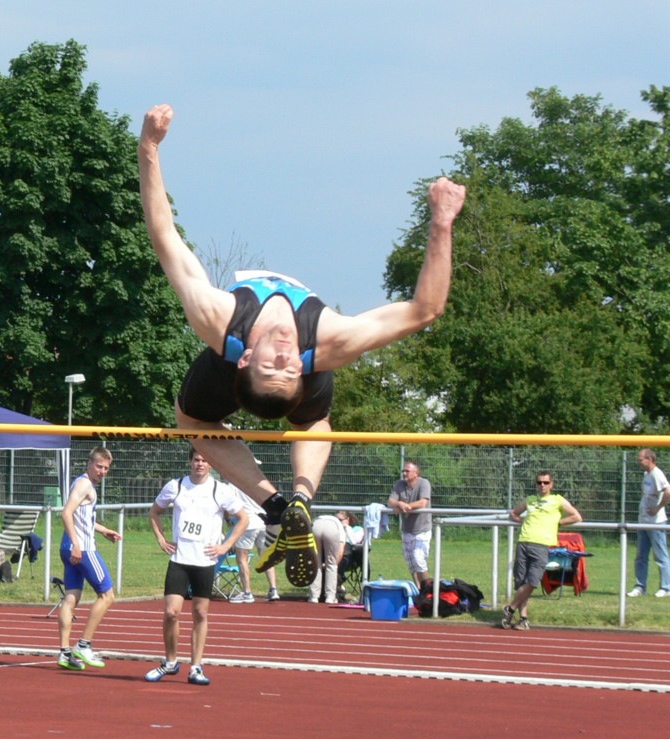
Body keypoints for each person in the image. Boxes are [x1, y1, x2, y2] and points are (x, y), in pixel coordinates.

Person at [137, 103, 466, 589]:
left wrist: (148, 146)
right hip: (296, 367)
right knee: (309, 420)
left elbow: (163, 234)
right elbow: (424, 310)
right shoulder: (326, 343)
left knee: (193, 419)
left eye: (279, 364)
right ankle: (295, 503)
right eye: (288, 366)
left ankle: (280, 506)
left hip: (237, 362)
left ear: (246, 358)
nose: (286, 355)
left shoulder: (218, 321)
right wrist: (442, 223)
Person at [146, 449, 248, 686]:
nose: (200, 464)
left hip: (205, 561)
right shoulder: (176, 486)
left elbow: (243, 519)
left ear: (210, 464)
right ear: (190, 462)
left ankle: (196, 667)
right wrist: (161, 539)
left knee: (200, 613)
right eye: (196, 460)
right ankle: (170, 662)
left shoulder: (220, 490)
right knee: (171, 612)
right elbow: (154, 512)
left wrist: (226, 546)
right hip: (180, 560)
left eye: (204, 460)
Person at [57, 447, 124, 670]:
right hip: (82, 549)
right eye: (99, 466)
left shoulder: (81, 483)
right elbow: (66, 513)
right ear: (89, 464)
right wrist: (77, 544)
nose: (102, 472)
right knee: (107, 595)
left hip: (69, 548)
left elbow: (81, 518)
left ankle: (65, 653)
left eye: (106, 468)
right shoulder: (84, 484)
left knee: (71, 598)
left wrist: (103, 530)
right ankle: (84, 645)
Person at [502, 472, 583, 631]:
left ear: (551, 484)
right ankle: (523, 619)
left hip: (541, 544)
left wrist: (558, 523)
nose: (542, 485)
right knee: (521, 582)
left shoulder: (557, 500)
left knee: (532, 581)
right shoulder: (530, 500)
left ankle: (510, 609)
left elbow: (576, 517)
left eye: (546, 482)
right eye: (539, 482)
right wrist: (524, 520)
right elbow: (513, 514)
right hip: (524, 541)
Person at [630, 448, 670, 598]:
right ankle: (640, 587)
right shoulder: (646, 474)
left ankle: (666, 587)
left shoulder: (657, 474)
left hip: (656, 523)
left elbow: (668, 491)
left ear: (650, 459)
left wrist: (658, 508)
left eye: (641, 459)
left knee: (660, 556)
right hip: (643, 521)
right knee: (641, 556)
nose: (639, 462)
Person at [388, 461, 433, 589]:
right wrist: (399, 504)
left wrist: (406, 506)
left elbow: (423, 503)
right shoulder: (399, 484)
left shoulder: (424, 483)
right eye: (403, 471)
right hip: (407, 530)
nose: (404, 473)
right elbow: (390, 501)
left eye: (407, 471)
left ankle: (427, 589)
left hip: (422, 529)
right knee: (411, 564)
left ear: (416, 473)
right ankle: (418, 590)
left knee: (419, 559)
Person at [306, 511, 347, 605]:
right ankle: (330, 597)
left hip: (316, 525)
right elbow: (340, 553)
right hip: (332, 529)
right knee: (332, 564)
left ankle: (314, 596)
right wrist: (332, 563)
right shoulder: (341, 528)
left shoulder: (322, 518)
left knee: (316, 563)